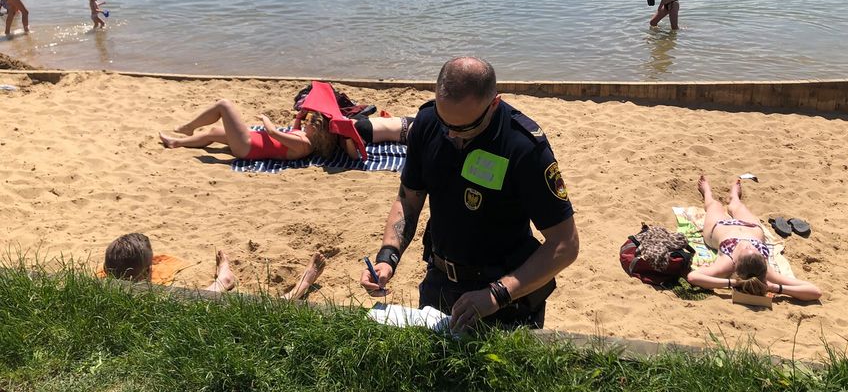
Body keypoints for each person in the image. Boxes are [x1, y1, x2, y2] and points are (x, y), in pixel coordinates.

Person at [360, 56, 579, 331]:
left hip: (507, 296)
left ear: (494, 104)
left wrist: (497, 294)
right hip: (439, 283)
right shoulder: (427, 124)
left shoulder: (523, 147)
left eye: (464, 128)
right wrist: (387, 258)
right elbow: (408, 201)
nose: (451, 134)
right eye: (445, 122)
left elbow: (565, 244)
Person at [685, 175, 822, 301]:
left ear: (736, 264)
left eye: (745, 249)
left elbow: (693, 277)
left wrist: (733, 283)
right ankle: (734, 197)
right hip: (751, 227)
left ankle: (707, 192)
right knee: (737, 206)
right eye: (755, 249)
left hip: (719, 226)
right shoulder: (766, 271)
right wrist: (776, 287)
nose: (748, 244)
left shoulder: (727, 263)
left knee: (714, 205)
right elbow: (815, 291)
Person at [104, 232, 327, 299]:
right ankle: (302, 286)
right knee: (270, 307)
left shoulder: (103, 293)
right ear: (148, 271)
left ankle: (223, 281)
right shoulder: (157, 300)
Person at [158, 99, 336, 160]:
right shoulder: (305, 138)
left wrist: (266, 119)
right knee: (213, 133)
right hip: (251, 140)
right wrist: (298, 117)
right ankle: (176, 142)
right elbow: (293, 132)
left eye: (308, 122)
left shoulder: (303, 144)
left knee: (224, 105)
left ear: (316, 129)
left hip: (248, 146)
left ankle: (188, 127)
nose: (305, 123)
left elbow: (273, 133)